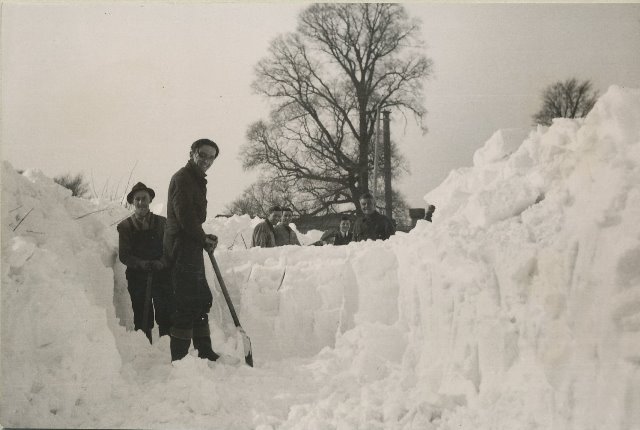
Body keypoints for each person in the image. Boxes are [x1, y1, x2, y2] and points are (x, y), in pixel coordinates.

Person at [164, 138, 220, 362]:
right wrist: (201, 238)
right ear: (192, 153)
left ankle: (204, 350)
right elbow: (185, 218)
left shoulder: (196, 179)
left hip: (191, 245)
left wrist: (203, 237)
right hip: (180, 247)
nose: (206, 161)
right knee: (186, 301)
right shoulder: (183, 178)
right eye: (203, 155)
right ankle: (179, 359)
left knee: (201, 298)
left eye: (211, 157)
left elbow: (194, 220)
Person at [117, 182, 172, 343]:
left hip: (161, 275)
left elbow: (170, 249)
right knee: (142, 315)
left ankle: (166, 345)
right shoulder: (125, 227)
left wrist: (161, 263)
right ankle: (144, 348)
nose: (141, 202)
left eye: (144, 199)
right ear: (133, 202)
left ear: (150, 200)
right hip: (137, 277)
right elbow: (124, 255)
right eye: (137, 199)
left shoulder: (163, 223)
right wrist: (142, 264)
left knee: (165, 312)